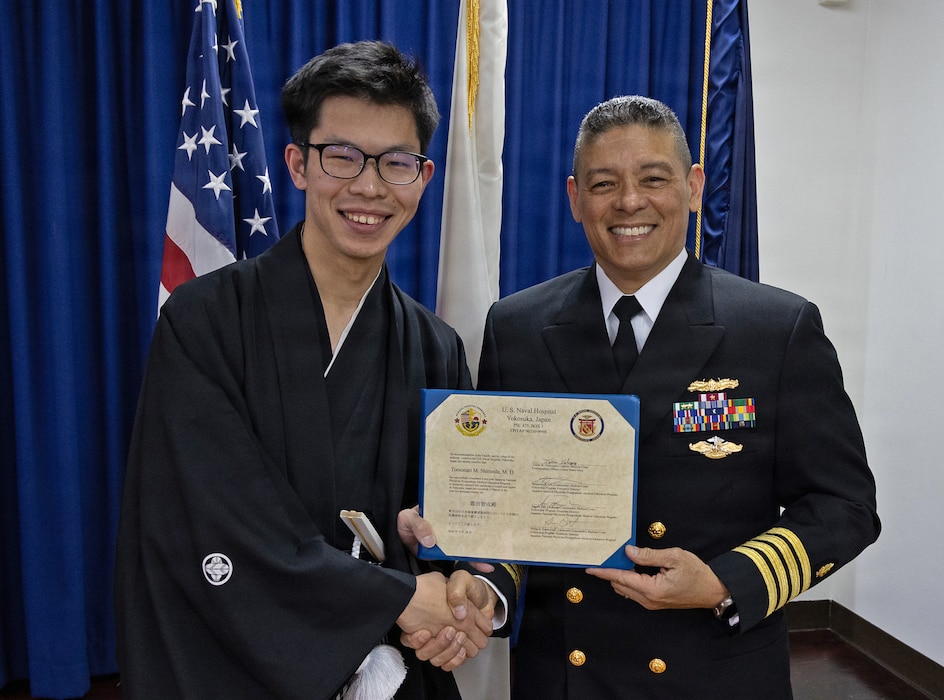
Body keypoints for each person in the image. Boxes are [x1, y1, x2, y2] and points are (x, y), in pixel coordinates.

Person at [115, 41, 517, 700]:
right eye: (342, 156)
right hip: (236, 670)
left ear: (424, 177)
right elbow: (208, 520)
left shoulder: (435, 347)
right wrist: (395, 597)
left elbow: (458, 522)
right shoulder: (205, 321)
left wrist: (464, 587)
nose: (369, 187)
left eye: (396, 162)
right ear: (298, 165)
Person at [441, 95, 880, 697]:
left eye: (653, 179)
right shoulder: (515, 327)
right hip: (563, 675)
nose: (629, 202)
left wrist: (725, 582)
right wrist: (487, 587)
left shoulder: (776, 330)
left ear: (693, 187)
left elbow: (844, 506)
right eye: (604, 183)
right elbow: (505, 507)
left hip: (712, 670)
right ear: (574, 198)